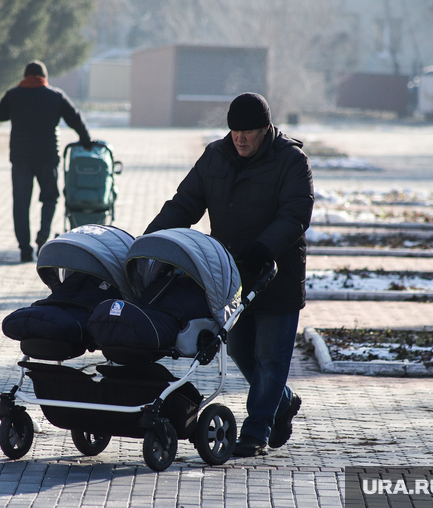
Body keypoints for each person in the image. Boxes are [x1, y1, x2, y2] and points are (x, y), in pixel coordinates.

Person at [144, 93, 314, 457]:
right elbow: (184, 204)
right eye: (234, 130)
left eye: (248, 131)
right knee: (238, 348)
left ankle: (256, 432)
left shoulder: (291, 160)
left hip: (274, 273)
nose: (240, 138)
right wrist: (151, 240)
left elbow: (295, 214)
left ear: (266, 128)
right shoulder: (215, 156)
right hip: (230, 276)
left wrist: (263, 249)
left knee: (270, 357)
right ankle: (282, 403)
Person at [0, 60, 93, 262]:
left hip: (21, 158)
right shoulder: (55, 96)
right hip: (47, 157)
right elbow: (74, 117)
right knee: (49, 198)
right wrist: (86, 139)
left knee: (21, 204)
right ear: (44, 77)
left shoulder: (13, 94)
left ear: (25, 76)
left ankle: (24, 249)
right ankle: (43, 236)